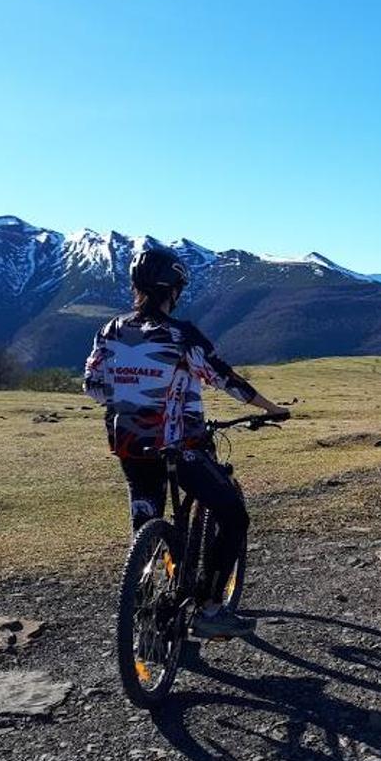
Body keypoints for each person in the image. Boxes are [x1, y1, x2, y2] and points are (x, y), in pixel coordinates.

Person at [83, 245, 289, 638]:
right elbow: (225, 378)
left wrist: (134, 395)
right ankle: (210, 609)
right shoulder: (180, 335)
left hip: (129, 446)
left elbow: (93, 387)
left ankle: (146, 614)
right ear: (172, 290)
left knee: (147, 527)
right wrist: (272, 408)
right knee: (233, 514)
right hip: (179, 448)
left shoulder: (110, 330)